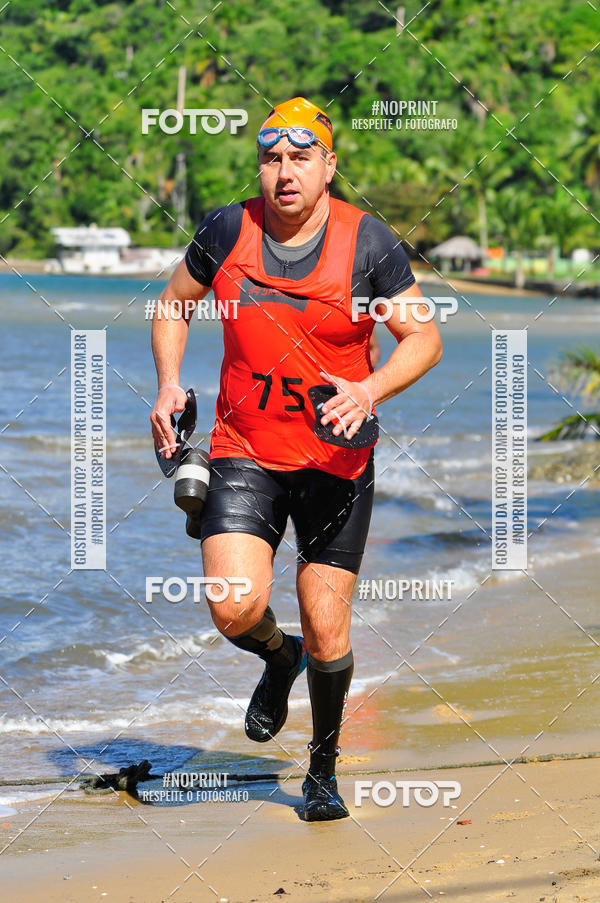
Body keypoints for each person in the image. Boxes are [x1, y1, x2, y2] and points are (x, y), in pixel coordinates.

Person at [150, 96, 442, 821]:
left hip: (336, 461)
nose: (284, 172)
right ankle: (278, 658)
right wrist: (165, 383)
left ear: (329, 166)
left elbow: (426, 339)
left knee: (329, 625)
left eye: (300, 157)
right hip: (244, 449)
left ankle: (321, 771)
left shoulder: (367, 242)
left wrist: (369, 388)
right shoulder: (226, 227)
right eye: (271, 157)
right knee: (233, 605)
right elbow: (172, 304)